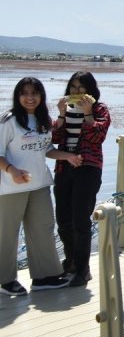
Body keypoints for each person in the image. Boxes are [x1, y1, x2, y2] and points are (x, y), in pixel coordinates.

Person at [0, 78, 70, 295]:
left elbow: (46, 149)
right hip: (10, 188)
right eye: (25, 93)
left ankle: (44, 276)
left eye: (35, 93)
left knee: (43, 229)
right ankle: (5, 281)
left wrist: (68, 156)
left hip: (39, 184)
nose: (30, 97)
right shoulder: (8, 121)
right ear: (17, 96)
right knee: (7, 235)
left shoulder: (42, 119)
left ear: (41, 96)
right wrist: (12, 170)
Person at [49, 71, 111, 286]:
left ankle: (83, 269)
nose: (76, 92)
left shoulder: (100, 109)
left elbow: (97, 137)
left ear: (90, 90)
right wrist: (60, 115)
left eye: (81, 88)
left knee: (80, 219)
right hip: (64, 166)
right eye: (73, 88)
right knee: (64, 219)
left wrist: (88, 114)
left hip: (88, 168)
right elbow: (55, 138)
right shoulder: (66, 108)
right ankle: (71, 262)